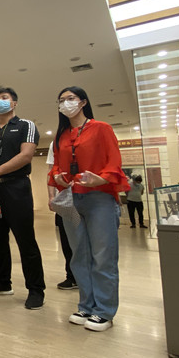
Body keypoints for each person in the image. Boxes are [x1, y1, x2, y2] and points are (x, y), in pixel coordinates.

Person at [49, 86, 129, 332]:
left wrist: (101, 179)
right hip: (72, 200)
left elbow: (114, 162)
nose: (65, 103)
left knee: (103, 256)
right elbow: (56, 166)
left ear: (83, 102)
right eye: (61, 100)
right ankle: (86, 305)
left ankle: (104, 311)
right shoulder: (61, 136)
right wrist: (59, 176)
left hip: (99, 198)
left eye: (70, 98)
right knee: (79, 255)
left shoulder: (101, 128)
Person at [0, 87, 45, 310]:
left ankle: (35, 289)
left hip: (17, 187)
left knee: (25, 239)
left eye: (4, 98)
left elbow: (26, 155)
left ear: (14, 103)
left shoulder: (25, 125)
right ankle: (2, 282)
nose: (0, 102)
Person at [46, 146, 77, 290]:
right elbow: (51, 171)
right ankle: (72, 276)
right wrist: (51, 196)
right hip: (65, 199)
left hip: (85, 197)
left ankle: (87, 277)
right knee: (66, 240)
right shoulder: (56, 143)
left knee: (84, 241)